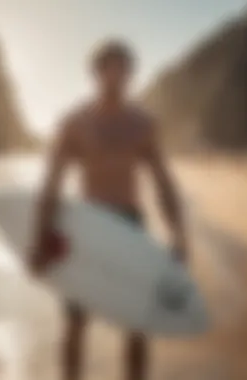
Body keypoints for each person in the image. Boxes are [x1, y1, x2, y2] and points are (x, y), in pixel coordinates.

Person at [29, 39, 187, 380]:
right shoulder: (75, 122)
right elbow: (52, 183)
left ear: (131, 74)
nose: (115, 76)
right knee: (75, 320)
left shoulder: (143, 124)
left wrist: (178, 234)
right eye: (108, 68)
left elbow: (163, 183)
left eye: (123, 69)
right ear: (95, 73)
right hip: (86, 225)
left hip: (128, 224)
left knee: (136, 320)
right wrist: (40, 237)